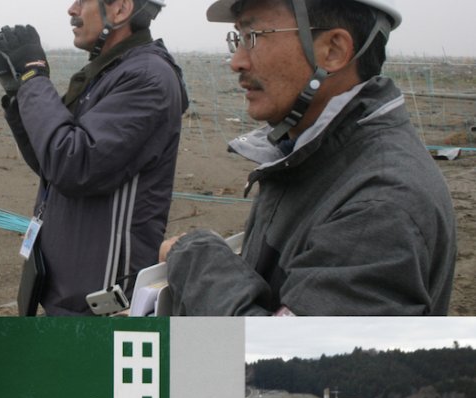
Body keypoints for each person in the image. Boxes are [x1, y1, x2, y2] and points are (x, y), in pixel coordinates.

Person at [162, 0, 456, 315]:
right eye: (237, 39)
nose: (236, 62)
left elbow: (283, 359)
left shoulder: (382, 204)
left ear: (333, 50)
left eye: (253, 36)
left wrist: (196, 259)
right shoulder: (308, 153)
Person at [0, 0, 187, 316]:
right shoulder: (107, 74)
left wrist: (35, 79)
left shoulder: (147, 78)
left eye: (82, 1)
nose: (71, 10)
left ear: (120, 9)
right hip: (68, 295)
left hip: (103, 306)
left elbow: (73, 163)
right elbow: (50, 165)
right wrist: (19, 93)